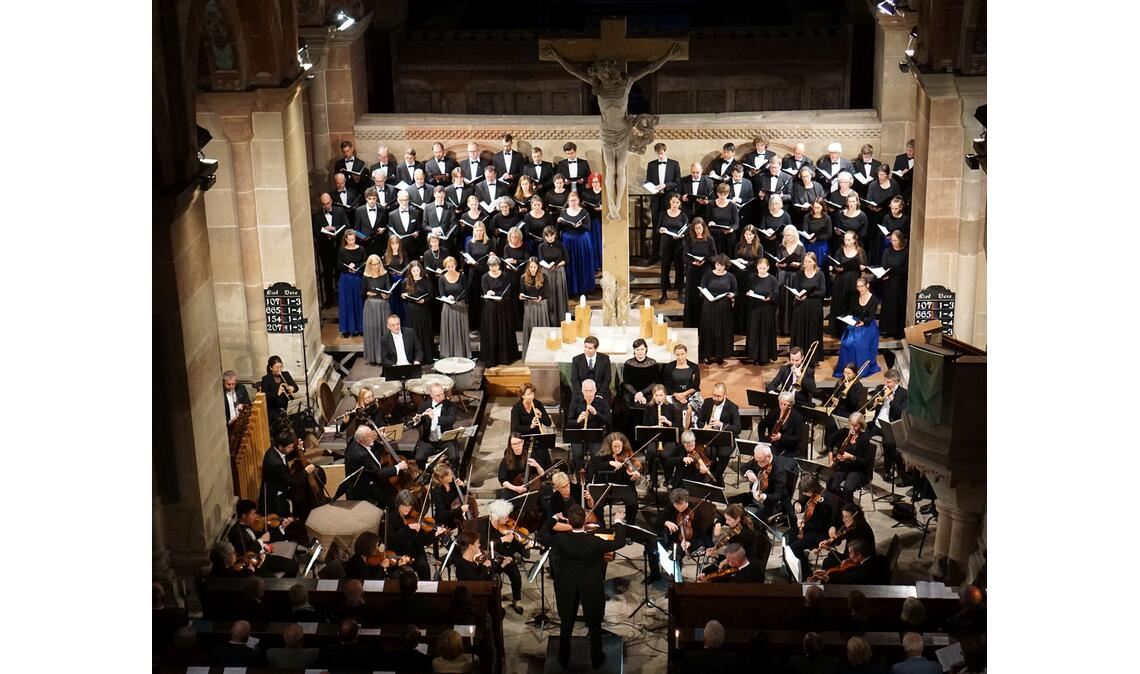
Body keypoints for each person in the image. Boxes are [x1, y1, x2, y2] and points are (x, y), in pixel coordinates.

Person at [539, 504, 627, 669]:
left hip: (567, 584)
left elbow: (542, 533)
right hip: (590, 584)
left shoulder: (560, 539)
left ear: (569, 522)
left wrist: (554, 518)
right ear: (585, 521)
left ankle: (563, 657)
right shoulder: (595, 541)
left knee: (567, 622)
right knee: (594, 624)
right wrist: (617, 522)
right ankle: (596, 658)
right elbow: (620, 541)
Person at [645, 487, 715, 584]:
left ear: (686, 501)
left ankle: (675, 582)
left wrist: (689, 542)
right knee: (651, 546)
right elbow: (658, 522)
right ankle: (654, 574)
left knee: (676, 554)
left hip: (691, 539)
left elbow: (699, 531)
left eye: (680, 505)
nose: (678, 508)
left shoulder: (695, 511)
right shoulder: (671, 507)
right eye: (676, 505)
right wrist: (666, 522)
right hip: (671, 537)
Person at [452, 530, 523, 615]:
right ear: (470, 546)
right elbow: (478, 583)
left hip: (484, 596)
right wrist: (485, 567)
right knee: (500, 612)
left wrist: (502, 565)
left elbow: (489, 574)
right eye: (477, 543)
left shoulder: (472, 560)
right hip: (475, 603)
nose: (480, 545)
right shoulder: (463, 566)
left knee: (501, 611)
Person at [227, 498, 301, 577]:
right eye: (253, 514)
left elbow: (266, 537)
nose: (255, 516)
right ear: (244, 516)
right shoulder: (236, 532)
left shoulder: (250, 525)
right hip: (256, 564)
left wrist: (282, 527)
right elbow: (247, 554)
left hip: (264, 555)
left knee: (294, 565)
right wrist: (261, 541)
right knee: (273, 579)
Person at [785, 475, 840, 573]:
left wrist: (804, 523)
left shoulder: (829, 500)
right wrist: (796, 504)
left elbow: (829, 522)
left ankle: (804, 572)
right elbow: (801, 501)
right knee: (788, 537)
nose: (803, 493)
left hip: (822, 532)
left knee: (795, 547)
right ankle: (793, 564)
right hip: (811, 527)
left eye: (805, 492)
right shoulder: (810, 494)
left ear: (813, 489)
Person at [586, 431, 641, 525]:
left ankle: (630, 525)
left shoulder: (626, 457)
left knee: (633, 502)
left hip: (621, 489)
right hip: (604, 489)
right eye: (614, 446)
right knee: (597, 503)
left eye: (619, 446)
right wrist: (610, 463)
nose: (617, 449)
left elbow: (628, 481)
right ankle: (601, 525)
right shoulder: (602, 457)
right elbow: (592, 466)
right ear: (609, 446)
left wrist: (633, 478)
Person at [345, 425, 406, 508]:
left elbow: (374, 450)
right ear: (361, 440)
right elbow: (378, 473)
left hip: (368, 478)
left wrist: (377, 434)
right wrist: (398, 467)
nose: (373, 437)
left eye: (372, 434)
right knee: (392, 503)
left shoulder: (354, 440)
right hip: (363, 489)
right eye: (370, 437)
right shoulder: (360, 455)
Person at [387, 488, 443, 580]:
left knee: (424, 567)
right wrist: (408, 528)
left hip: (415, 553)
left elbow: (422, 540)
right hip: (399, 554)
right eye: (404, 505)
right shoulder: (391, 518)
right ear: (398, 504)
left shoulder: (413, 517)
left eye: (409, 506)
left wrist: (435, 534)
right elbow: (393, 540)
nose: (407, 509)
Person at [868, 369, 909, 482]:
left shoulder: (904, 394)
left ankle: (887, 470)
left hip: (890, 425)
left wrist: (892, 400)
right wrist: (874, 403)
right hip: (877, 423)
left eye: (889, 382)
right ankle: (865, 465)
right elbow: (869, 407)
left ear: (897, 382)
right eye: (885, 381)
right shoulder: (880, 389)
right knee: (862, 434)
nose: (886, 384)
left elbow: (902, 413)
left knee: (888, 444)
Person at [835, 278, 881, 378]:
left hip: (867, 325)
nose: (860, 289)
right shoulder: (855, 297)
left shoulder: (874, 300)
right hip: (854, 323)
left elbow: (871, 316)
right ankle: (848, 369)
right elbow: (851, 311)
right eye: (858, 286)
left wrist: (863, 322)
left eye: (862, 286)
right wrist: (848, 319)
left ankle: (859, 369)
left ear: (867, 286)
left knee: (858, 343)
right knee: (846, 342)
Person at [733, 444, 791, 522]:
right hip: (755, 494)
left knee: (751, 521)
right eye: (757, 461)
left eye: (761, 461)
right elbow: (744, 467)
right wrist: (749, 472)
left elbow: (777, 495)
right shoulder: (759, 459)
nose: (758, 464)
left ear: (769, 457)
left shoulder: (779, 471)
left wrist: (764, 496)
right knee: (731, 502)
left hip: (771, 503)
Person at [479, 255, 519, 366]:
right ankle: (492, 358)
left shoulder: (506, 276)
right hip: (491, 309)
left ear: (498, 265)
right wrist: (489, 293)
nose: (493, 268)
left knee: (504, 330)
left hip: (503, 308)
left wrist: (496, 294)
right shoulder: (485, 277)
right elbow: (485, 290)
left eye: (495, 265)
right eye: (491, 266)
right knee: (492, 331)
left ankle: (505, 357)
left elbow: (508, 292)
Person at [696, 382, 741, 481]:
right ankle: (716, 478)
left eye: (719, 396)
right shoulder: (707, 402)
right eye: (714, 395)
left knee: (723, 455)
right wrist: (704, 426)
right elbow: (699, 420)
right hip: (710, 437)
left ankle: (714, 478)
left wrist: (721, 424)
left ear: (725, 395)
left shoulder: (732, 407)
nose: (715, 398)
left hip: (726, 439)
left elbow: (737, 428)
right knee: (708, 453)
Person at [826, 413, 875, 501]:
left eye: (855, 426)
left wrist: (852, 457)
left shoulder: (864, 439)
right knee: (830, 485)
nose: (852, 428)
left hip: (857, 469)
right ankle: (843, 502)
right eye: (851, 424)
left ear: (861, 426)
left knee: (847, 489)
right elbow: (830, 440)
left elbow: (867, 462)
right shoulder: (843, 432)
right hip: (843, 466)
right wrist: (830, 457)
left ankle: (849, 508)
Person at [790, 253, 826, 368]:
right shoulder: (799, 274)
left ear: (815, 262)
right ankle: (798, 358)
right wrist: (797, 295)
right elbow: (795, 289)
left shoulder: (820, 274)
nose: (807, 264)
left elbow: (823, 291)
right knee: (800, 330)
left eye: (810, 262)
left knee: (813, 331)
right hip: (801, 307)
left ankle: (813, 358)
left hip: (814, 307)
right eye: (805, 261)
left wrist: (809, 295)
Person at [641, 383, 681, 488]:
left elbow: (679, 426)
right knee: (651, 453)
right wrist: (654, 427)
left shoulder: (671, 407)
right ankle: (653, 480)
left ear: (665, 395)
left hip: (668, 439)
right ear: (653, 396)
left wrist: (668, 422)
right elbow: (645, 425)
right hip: (654, 439)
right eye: (656, 395)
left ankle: (668, 479)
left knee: (666, 455)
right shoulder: (649, 408)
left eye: (661, 395)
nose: (659, 398)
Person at [565, 379, 611, 469]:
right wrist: (578, 420)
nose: (589, 394)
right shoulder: (575, 402)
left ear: (595, 390)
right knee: (578, 455)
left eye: (591, 391)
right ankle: (580, 479)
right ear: (582, 391)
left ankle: (593, 479)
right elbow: (569, 423)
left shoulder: (602, 402)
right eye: (586, 391)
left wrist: (596, 414)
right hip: (578, 434)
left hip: (595, 435)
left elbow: (608, 421)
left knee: (596, 456)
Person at [647, 142, 682, 259]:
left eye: (661, 153)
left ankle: (671, 256)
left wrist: (665, 185)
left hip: (669, 200)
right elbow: (648, 182)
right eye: (658, 154)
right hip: (656, 199)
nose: (660, 156)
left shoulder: (674, 164)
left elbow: (677, 182)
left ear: (665, 151)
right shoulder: (651, 165)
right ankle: (655, 255)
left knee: (670, 226)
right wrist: (653, 188)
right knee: (656, 227)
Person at [314, 192, 350, 305]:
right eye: (324, 204)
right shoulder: (316, 215)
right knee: (328, 274)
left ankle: (343, 299)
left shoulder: (339, 211)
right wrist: (325, 233)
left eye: (328, 203)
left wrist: (334, 228)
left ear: (331, 202)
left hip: (340, 248)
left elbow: (347, 226)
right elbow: (315, 233)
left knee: (341, 273)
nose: (326, 206)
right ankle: (329, 300)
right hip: (326, 249)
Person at [411, 382, 459, 466]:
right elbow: (418, 424)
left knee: (455, 457)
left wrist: (434, 418)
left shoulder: (450, 405)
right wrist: (416, 421)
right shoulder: (424, 406)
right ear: (431, 395)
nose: (442, 397)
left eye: (442, 394)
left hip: (446, 440)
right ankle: (426, 474)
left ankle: (455, 476)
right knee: (419, 458)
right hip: (428, 441)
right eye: (438, 395)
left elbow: (451, 420)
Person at [828, 230, 865, 337]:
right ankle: (838, 330)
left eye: (849, 239)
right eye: (845, 239)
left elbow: (864, 266)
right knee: (840, 304)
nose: (846, 241)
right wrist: (837, 268)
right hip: (841, 281)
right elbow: (836, 264)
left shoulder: (860, 252)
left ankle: (850, 330)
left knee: (851, 305)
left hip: (853, 282)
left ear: (854, 240)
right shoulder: (840, 251)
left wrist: (862, 267)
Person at [558, 190, 595, 296]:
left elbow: (588, 227)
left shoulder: (584, 212)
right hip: (568, 242)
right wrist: (558, 222)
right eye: (571, 201)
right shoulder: (564, 212)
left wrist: (580, 226)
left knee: (582, 264)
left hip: (581, 241)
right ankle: (571, 290)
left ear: (578, 201)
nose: (572, 203)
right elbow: (559, 228)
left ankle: (583, 290)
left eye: (574, 200)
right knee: (571, 265)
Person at [743, 256, 779, 364]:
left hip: (767, 309)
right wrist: (749, 294)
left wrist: (770, 297)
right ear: (757, 267)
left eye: (764, 268)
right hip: (755, 308)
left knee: (765, 332)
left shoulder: (772, 279)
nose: (762, 270)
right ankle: (754, 356)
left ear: (768, 267)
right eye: (760, 268)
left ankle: (765, 356)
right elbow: (748, 291)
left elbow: (776, 292)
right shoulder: (752, 278)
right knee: (754, 331)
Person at [620, 338, 660, 435]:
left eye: (642, 349)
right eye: (637, 350)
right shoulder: (628, 363)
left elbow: (655, 382)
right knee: (627, 408)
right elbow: (626, 382)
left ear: (646, 349)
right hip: (631, 393)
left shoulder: (653, 363)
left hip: (648, 392)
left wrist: (642, 393)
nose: (640, 352)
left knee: (650, 406)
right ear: (634, 350)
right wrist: (636, 394)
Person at [703, 504, 758, 572]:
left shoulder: (743, 535)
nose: (726, 522)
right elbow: (722, 518)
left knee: (706, 572)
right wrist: (718, 523)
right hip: (735, 559)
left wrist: (719, 557)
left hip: (742, 566)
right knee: (706, 571)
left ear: (738, 518)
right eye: (726, 519)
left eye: (729, 520)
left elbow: (735, 559)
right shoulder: (739, 526)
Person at [683, 218, 717, 327]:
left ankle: (704, 323)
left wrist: (705, 260)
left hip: (705, 271)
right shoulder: (690, 239)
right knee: (692, 296)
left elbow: (714, 255)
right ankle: (691, 323)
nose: (698, 230)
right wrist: (693, 262)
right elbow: (684, 256)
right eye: (696, 228)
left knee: (703, 296)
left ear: (704, 227)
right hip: (693, 271)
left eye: (700, 228)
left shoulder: (709, 239)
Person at [864, 164, 900, 266]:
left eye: (883, 175)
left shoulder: (894, 185)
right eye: (879, 174)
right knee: (874, 241)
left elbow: (897, 199)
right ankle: (873, 263)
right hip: (874, 217)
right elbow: (868, 199)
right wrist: (872, 206)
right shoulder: (873, 185)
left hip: (888, 217)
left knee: (885, 240)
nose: (881, 177)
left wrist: (886, 207)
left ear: (888, 175)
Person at [774, 224, 806, 336]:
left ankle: (793, 328)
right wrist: (778, 264)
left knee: (793, 302)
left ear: (795, 235)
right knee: (782, 302)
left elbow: (805, 264)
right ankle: (781, 328)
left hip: (795, 276)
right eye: (786, 235)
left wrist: (798, 264)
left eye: (791, 236)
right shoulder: (781, 246)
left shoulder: (801, 247)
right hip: (783, 276)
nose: (788, 238)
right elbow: (777, 261)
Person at [361, 254, 393, 364]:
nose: (376, 266)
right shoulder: (366, 276)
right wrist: (368, 293)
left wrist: (387, 295)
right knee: (373, 331)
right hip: (371, 306)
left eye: (377, 264)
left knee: (383, 330)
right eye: (373, 264)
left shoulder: (385, 275)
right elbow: (362, 292)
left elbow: (389, 290)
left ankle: (384, 357)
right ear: (369, 265)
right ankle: (373, 357)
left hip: (382, 305)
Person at [498, 432, 549, 500]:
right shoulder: (506, 458)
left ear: (522, 442)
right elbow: (503, 480)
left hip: (531, 488)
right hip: (513, 489)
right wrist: (516, 488)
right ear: (510, 445)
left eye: (519, 443)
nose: (517, 446)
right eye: (514, 444)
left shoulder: (530, 455)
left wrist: (537, 465)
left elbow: (542, 474)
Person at [657, 193, 689, 301]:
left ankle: (680, 293)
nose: (675, 204)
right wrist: (661, 230)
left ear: (680, 204)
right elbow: (658, 229)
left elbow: (686, 231)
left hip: (678, 245)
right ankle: (664, 293)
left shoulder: (683, 216)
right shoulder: (663, 214)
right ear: (670, 202)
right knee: (665, 268)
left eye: (677, 202)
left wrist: (681, 235)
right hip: (666, 244)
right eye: (673, 202)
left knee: (679, 268)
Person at [877, 230, 909, 339]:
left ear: (900, 240)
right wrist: (884, 274)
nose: (893, 242)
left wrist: (895, 271)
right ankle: (886, 329)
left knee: (898, 307)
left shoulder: (906, 252)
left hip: (900, 284)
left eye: (895, 240)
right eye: (891, 240)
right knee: (888, 306)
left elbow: (906, 269)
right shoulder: (887, 251)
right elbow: (884, 266)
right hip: (888, 283)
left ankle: (897, 331)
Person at [401, 260, 435, 362]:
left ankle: (426, 357)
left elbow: (431, 295)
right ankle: (414, 358)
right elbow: (402, 294)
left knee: (424, 333)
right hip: (411, 311)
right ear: (410, 271)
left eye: (417, 270)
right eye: (413, 271)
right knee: (413, 333)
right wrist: (403, 295)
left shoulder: (426, 280)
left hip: (423, 310)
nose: (416, 272)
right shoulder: (406, 281)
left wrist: (424, 300)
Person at [437, 256, 471, 358]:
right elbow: (442, 294)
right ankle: (449, 353)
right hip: (448, 307)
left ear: (455, 265)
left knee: (461, 331)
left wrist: (458, 299)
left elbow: (466, 292)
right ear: (445, 267)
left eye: (452, 266)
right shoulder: (442, 278)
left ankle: (462, 353)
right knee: (449, 331)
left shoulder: (462, 276)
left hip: (460, 306)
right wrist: (449, 298)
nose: (451, 268)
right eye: (448, 267)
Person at [732, 225, 763, 334]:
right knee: (740, 301)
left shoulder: (759, 247)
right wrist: (738, 262)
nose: (748, 236)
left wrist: (747, 263)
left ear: (754, 235)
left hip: (752, 277)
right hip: (740, 276)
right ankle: (739, 327)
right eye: (746, 234)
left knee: (749, 300)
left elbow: (759, 262)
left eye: (750, 234)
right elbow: (735, 258)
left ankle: (749, 327)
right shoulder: (739, 245)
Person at [518, 258, 550, 359]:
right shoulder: (523, 277)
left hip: (540, 306)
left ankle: (543, 352)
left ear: (538, 267)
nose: (532, 269)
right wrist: (521, 296)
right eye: (531, 267)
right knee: (530, 328)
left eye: (534, 267)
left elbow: (547, 293)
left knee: (541, 328)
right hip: (529, 306)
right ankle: (530, 354)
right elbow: (521, 292)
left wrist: (541, 297)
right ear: (528, 267)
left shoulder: (543, 276)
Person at [337, 229, 366, 337]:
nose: (351, 242)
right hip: (346, 279)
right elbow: (339, 265)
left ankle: (361, 327)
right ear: (345, 239)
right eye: (349, 240)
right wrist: (348, 268)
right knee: (347, 303)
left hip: (357, 278)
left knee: (359, 302)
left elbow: (365, 262)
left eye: (353, 239)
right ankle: (348, 329)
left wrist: (356, 266)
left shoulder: (361, 249)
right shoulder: (342, 251)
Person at [464, 221, 493, 329]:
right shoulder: (470, 243)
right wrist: (467, 261)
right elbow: (466, 257)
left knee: (484, 297)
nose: (479, 232)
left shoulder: (489, 242)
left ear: (484, 231)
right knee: (474, 297)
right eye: (477, 230)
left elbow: (493, 257)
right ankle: (474, 324)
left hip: (485, 272)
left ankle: (485, 323)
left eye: (481, 230)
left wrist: (492, 255)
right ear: (474, 231)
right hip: (473, 272)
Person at [537, 225, 569, 324]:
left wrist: (556, 264)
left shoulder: (560, 245)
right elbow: (541, 259)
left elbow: (566, 259)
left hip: (559, 272)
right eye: (547, 236)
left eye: (551, 236)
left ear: (555, 235)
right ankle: (549, 320)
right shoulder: (541, 246)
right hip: (546, 273)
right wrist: (547, 266)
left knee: (559, 294)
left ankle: (560, 319)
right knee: (549, 295)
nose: (549, 238)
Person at [758, 391, 804, 457]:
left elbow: (798, 438)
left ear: (790, 405)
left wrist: (781, 437)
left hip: (789, 448)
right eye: (780, 403)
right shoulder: (774, 412)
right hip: (774, 445)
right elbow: (761, 425)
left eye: (785, 404)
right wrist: (762, 440)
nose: (782, 407)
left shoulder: (797, 417)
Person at [662, 343, 701, 416]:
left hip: (690, 394)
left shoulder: (694, 367)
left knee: (693, 410)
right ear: (675, 355)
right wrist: (677, 395)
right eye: (677, 355)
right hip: (673, 394)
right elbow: (666, 384)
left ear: (686, 354)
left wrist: (683, 394)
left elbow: (696, 385)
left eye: (682, 354)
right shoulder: (669, 367)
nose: (680, 357)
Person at [431, 463, 473, 531]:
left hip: (456, 516)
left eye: (451, 474)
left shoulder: (453, 483)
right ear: (441, 478)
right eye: (448, 476)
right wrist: (460, 510)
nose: (452, 477)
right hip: (445, 521)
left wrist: (463, 486)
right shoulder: (437, 492)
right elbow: (443, 514)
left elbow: (468, 496)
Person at [571, 335, 613, 400]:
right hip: (582, 393)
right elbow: (574, 380)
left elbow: (607, 379)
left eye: (590, 348)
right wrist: (582, 395)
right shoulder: (576, 360)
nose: (587, 350)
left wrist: (600, 394)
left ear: (596, 348)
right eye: (585, 347)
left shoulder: (605, 359)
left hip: (600, 393)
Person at [260, 355, 297, 428]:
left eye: (281, 367)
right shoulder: (266, 379)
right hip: (274, 409)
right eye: (277, 367)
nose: (279, 369)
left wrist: (291, 388)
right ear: (271, 368)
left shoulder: (286, 374)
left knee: (297, 419)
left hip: (288, 406)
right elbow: (265, 395)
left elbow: (296, 387)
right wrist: (277, 393)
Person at [706, 183, 740, 255]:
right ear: (717, 193)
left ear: (728, 194)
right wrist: (710, 223)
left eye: (725, 194)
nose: (723, 197)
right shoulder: (711, 204)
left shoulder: (733, 206)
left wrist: (731, 229)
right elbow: (707, 220)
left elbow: (736, 223)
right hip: (715, 235)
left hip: (729, 236)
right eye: (721, 194)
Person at [383, 233, 411, 321]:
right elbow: (384, 270)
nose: (395, 246)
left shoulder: (403, 254)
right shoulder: (386, 255)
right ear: (389, 244)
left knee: (402, 303)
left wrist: (401, 273)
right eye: (393, 244)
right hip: (391, 282)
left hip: (402, 282)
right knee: (393, 303)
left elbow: (407, 268)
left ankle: (403, 321)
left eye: (396, 244)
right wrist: (391, 273)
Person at [388, 191, 423, 260]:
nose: (404, 202)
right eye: (401, 200)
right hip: (399, 247)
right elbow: (390, 230)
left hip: (413, 246)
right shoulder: (392, 215)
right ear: (398, 200)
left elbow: (419, 228)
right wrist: (394, 238)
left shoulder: (415, 213)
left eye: (406, 200)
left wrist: (417, 233)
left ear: (408, 200)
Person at [581, 172, 605, 271]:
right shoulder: (586, 193)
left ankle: (602, 263)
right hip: (591, 220)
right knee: (592, 243)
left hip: (601, 221)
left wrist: (604, 208)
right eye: (593, 182)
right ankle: (594, 265)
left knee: (601, 242)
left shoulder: (604, 193)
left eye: (597, 181)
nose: (595, 184)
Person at [354, 187, 388, 256]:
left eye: (374, 198)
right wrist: (363, 237)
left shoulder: (382, 209)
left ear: (376, 198)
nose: (372, 201)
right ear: (366, 198)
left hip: (379, 244)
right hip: (364, 244)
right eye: (369, 198)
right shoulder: (359, 210)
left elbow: (386, 225)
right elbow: (356, 229)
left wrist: (383, 229)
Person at [425, 186, 458, 255]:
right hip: (433, 241)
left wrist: (442, 230)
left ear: (444, 195)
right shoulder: (427, 207)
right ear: (434, 195)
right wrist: (432, 229)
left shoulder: (450, 206)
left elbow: (453, 223)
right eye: (438, 197)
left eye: (441, 197)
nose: (440, 199)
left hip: (446, 240)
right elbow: (424, 224)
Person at [892, 139, 916, 203]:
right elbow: (894, 177)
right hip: (903, 190)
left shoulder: (919, 160)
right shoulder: (900, 158)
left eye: (911, 151)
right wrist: (902, 174)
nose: (908, 152)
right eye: (907, 150)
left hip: (915, 191)